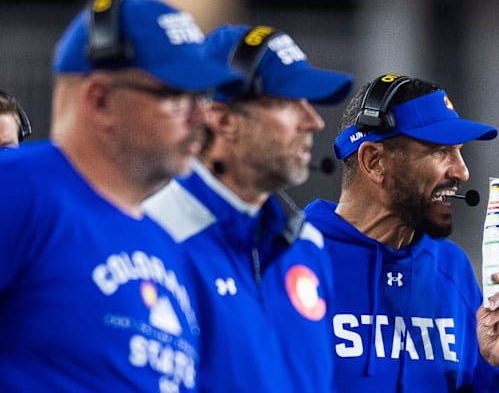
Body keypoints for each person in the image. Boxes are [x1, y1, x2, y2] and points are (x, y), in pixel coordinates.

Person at [0, 0, 241, 392]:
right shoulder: (19, 190)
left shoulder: (166, 244)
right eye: (176, 95)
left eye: (202, 97)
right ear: (102, 99)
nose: (203, 116)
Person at [143, 24, 353, 391]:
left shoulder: (306, 243)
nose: (313, 121)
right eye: (290, 103)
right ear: (223, 119)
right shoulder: (151, 236)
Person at [304, 73, 499, 392]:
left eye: (459, 151)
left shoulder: (452, 267)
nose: (462, 171)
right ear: (373, 162)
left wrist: (498, 367)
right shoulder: (289, 256)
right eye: (440, 151)